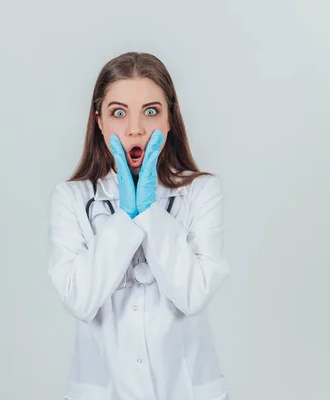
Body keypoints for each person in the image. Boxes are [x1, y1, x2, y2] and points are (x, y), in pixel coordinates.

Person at [47, 51, 231, 400]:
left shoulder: (201, 192)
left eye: (151, 111)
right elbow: (80, 300)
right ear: (99, 120)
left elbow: (194, 295)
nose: (135, 129)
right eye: (118, 113)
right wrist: (124, 220)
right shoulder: (72, 198)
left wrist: (149, 213)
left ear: (169, 121)